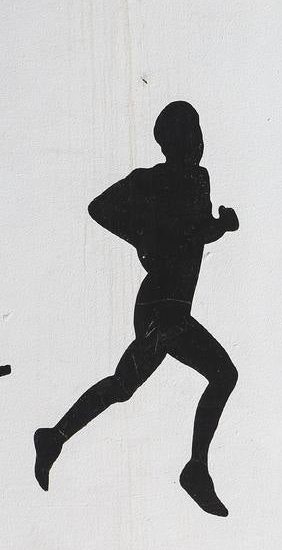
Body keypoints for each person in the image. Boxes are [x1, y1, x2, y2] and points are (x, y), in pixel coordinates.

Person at [34, 101, 240, 517]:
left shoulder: (153, 182)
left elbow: (188, 235)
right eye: (194, 133)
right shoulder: (193, 179)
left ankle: (55, 435)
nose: (199, 142)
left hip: (158, 305)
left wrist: (152, 235)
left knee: (123, 385)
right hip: (166, 308)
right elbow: (188, 231)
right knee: (222, 374)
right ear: (186, 140)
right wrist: (217, 226)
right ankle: (196, 469)